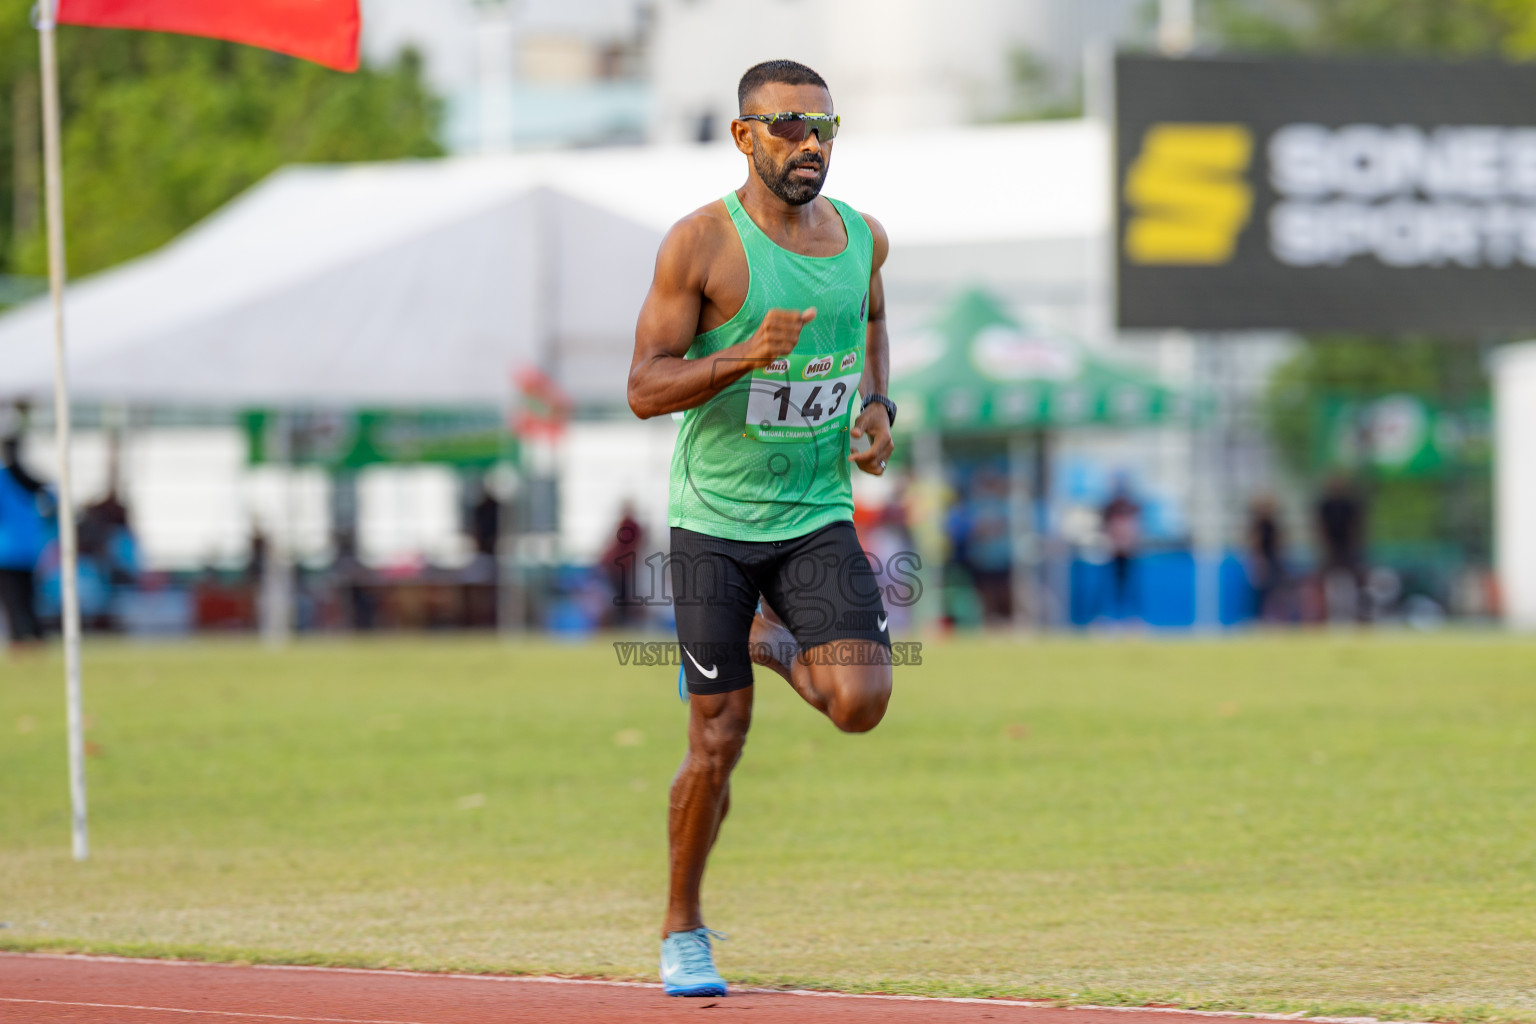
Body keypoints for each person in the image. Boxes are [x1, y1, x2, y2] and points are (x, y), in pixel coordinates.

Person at [627, 59, 895, 999]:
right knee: (718, 738)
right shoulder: (701, 245)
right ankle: (682, 925)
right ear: (745, 137)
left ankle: (765, 641)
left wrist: (877, 406)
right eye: (787, 127)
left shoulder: (864, 237)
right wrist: (746, 353)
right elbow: (642, 390)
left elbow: (869, 317)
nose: (809, 144)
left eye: (823, 126)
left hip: (816, 513)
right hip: (712, 524)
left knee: (860, 702)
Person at [0, 436, 51, 647]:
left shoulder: (3, 478)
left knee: (13, 601)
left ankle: (19, 640)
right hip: (30, 548)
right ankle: (36, 636)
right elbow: (51, 505)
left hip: (6, 550)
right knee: (29, 599)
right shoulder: (29, 479)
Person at [1100, 476, 1141, 621]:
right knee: (1107, 588)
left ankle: (1132, 619)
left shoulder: (1133, 507)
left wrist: (1128, 544)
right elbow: (1106, 529)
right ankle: (1105, 618)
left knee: (1131, 588)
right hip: (1112, 553)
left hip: (1129, 554)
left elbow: (1136, 530)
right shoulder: (1109, 508)